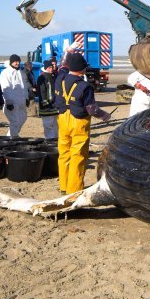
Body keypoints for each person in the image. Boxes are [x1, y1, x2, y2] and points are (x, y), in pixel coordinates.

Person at [56, 53, 111, 194]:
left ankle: (64, 186)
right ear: (82, 69)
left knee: (64, 153)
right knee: (78, 155)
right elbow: (91, 109)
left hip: (62, 118)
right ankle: (73, 190)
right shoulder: (85, 86)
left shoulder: (60, 78)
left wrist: (68, 52)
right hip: (78, 122)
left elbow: (62, 67)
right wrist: (105, 116)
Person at [0, 54, 30, 137]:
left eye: (18, 61)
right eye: (15, 62)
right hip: (12, 102)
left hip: (21, 101)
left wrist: (26, 98)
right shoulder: (6, 73)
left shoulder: (21, 73)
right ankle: (14, 138)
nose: (17, 63)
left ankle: (10, 136)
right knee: (14, 121)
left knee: (23, 118)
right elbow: (5, 88)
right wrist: (8, 102)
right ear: (11, 62)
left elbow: (24, 87)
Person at [36, 60, 59, 139]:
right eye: (49, 67)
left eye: (52, 67)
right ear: (46, 68)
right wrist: (45, 102)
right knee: (48, 124)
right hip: (46, 105)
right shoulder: (42, 77)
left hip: (54, 104)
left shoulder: (53, 76)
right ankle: (49, 139)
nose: (51, 69)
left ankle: (56, 138)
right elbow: (41, 91)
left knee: (55, 123)